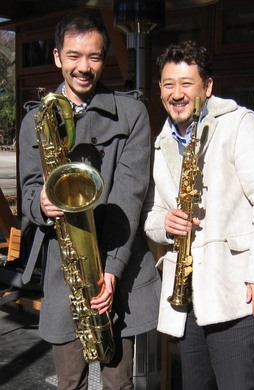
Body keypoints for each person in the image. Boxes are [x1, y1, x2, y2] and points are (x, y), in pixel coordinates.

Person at [19, 13, 161, 390]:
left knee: (119, 383)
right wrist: (42, 205)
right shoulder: (36, 119)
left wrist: (110, 270)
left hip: (121, 264)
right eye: (74, 56)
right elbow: (30, 190)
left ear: (104, 59)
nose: (84, 68)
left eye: (94, 57)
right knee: (71, 382)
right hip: (65, 271)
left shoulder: (131, 113)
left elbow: (129, 195)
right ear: (57, 57)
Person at [143, 40, 254, 390]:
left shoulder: (240, 125)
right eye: (168, 84)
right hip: (187, 298)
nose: (177, 94)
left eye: (186, 83)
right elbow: (150, 212)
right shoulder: (160, 142)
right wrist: (164, 223)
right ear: (160, 89)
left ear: (207, 86)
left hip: (235, 293)